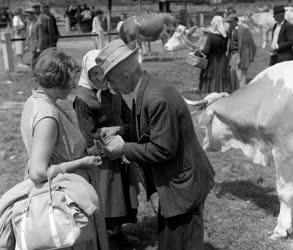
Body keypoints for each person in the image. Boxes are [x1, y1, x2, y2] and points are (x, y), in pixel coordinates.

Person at [96, 39, 215, 250]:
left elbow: (163, 149)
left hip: (182, 186)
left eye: (111, 81)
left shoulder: (156, 97)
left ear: (125, 75)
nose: (110, 87)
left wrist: (123, 148)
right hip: (174, 183)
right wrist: (122, 130)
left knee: (182, 243)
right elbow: (152, 130)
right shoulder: (145, 87)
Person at [20, 48, 108, 250]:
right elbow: (38, 172)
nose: (73, 85)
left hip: (67, 192)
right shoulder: (47, 116)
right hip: (64, 199)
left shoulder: (36, 100)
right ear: (56, 80)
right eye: (69, 80)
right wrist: (82, 162)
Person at [73, 50, 140, 247]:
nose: (100, 77)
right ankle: (108, 240)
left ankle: (118, 234)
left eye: (102, 72)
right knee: (109, 200)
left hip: (120, 152)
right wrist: (109, 145)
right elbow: (89, 137)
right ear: (86, 73)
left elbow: (129, 121)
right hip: (103, 160)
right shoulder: (83, 99)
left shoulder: (114, 91)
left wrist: (121, 133)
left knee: (122, 198)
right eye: (94, 74)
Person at [197, 16, 230, 93]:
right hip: (223, 59)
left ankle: (212, 92)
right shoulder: (226, 35)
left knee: (212, 76)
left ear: (214, 24)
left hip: (212, 60)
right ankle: (221, 92)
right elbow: (225, 49)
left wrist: (199, 52)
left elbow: (206, 51)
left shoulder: (211, 36)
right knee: (221, 76)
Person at [226, 13, 256, 90]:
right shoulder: (230, 29)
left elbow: (245, 46)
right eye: (228, 22)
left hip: (239, 54)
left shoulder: (243, 29)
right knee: (233, 74)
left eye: (231, 21)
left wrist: (240, 58)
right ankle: (234, 92)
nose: (229, 23)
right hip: (232, 55)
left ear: (236, 21)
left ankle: (241, 92)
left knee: (241, 75)